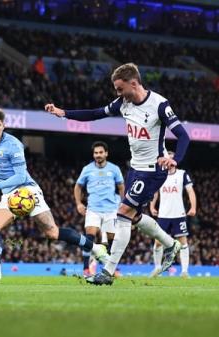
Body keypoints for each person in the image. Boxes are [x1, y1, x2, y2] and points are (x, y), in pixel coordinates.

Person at [45, 63, 190, 285]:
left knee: (122, 214)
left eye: (120, 89)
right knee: (135, 217)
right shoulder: (123, 104)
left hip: (153, 170)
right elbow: (94, 113)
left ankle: (107, 273)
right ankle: (170, 244)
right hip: (135, 169)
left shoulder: (159, 105)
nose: (118, 94)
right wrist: (63, 113)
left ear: (134, 83)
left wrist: (174, 159)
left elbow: (183, 136)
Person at [0, 108, 110, 283]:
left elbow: (21, 176)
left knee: (52, 232)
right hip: (8, 194)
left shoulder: (13, 145)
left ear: (4, 125)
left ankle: (96, 248)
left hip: (27, 191)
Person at [74, 141, 124, 277]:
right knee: (89, 236)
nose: (98, 155)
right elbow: (78, 187)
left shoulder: (114, 169)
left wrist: (122, 203)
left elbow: (121, 186)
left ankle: (111, 267)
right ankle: (86, 269)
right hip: (93, 209)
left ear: (106, 153)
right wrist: (79, 203)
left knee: (113, 239)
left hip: (111, 209)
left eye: (101, 152)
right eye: (96, 153)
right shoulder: (87, 169)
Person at [149, 151, 196, 278]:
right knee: (158, 242)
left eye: (171, 158)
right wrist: (152, 206)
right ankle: (157, 269)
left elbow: (190, 191)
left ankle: (185, 271)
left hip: (178, 214)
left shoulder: (182, 174)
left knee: (183, 242)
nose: (168, 161)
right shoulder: (160, 175)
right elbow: (155, 193)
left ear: (174, 160)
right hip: (163, 215)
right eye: (166, 159)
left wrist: (193, 207)